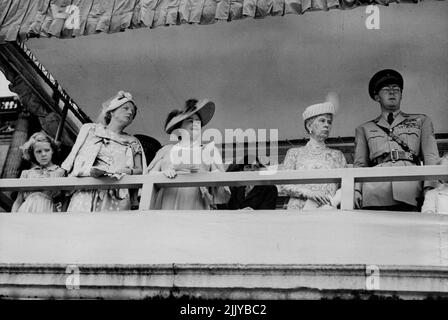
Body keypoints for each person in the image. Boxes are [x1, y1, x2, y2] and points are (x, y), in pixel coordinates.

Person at [353, 69, 440, 211]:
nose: (392, 92)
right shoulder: (364, 128)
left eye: (396, 89)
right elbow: (360, 164)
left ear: (401, 95)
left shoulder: (421, 121)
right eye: (386, 89)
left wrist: (429, 189)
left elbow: (431, 158)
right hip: (374, 190)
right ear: (377, 97)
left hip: (410, 188)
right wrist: (356, 190)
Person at [61, 91, 145, 212]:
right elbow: (73, 157)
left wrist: (126, 171)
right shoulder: (90, 130)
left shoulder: (133, 141)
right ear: (111, 112)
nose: (130, 112)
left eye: (133, 112)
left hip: (115, 193)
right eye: (125, 108)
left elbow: (140, 170)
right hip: (86, 188)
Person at [145, 98, 230, 210]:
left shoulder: (209, 150)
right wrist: (163, 174)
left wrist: (204, 175)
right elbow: (149, 176)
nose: (195, 124)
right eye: (190, 120)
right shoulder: (166, 150)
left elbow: (218, 180)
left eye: (198, 121)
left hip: (195, 200)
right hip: (168, 199)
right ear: (180, 127)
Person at [279, 97, 347, 210]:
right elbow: (284, 184)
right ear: (309, 126)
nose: (327, 125)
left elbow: (345, 185)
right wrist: (309, 193)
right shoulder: (294, 153)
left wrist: (333, 202)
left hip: (327, 210)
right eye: (322, 120)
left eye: (329, 122)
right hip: (299, 210)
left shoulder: (337, 155)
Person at [11, 132, 65, 213]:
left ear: (52, 151)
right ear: (33, 153)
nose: (43, 154)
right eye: (38, 151)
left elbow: (64, 199)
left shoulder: (60, 172)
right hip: (26, 209)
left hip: (47, 209)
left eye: (47, 150)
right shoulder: (27, 173)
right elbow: (18, 201)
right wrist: (12, 218)